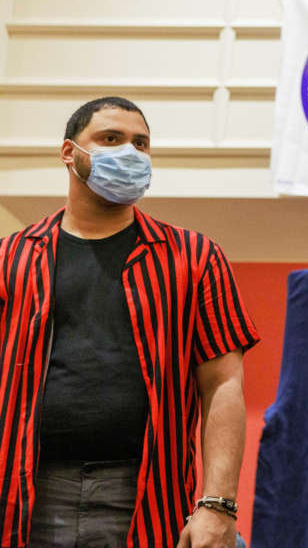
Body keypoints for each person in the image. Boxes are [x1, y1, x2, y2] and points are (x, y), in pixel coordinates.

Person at [0, 97, 259, 548]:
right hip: (25, 494)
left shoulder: (194, 257)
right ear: (69, 153)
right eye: (111, 139)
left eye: (141, 144)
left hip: (147, 495)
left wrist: (218, 505)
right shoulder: (10, 257)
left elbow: (222, 383)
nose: (130, 153)